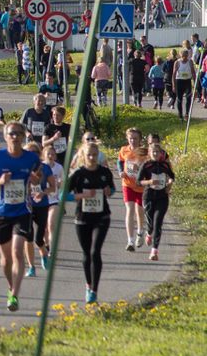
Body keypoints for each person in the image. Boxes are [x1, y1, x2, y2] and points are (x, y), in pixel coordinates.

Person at [0, 121, 43, 312]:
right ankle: (10, 286)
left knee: (17, 251)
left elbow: (37, 174)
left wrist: (35, 179)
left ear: (23, 137)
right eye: (11, 134)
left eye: (18, 133)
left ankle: (14, 294)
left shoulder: (31, 158)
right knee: (6, 259)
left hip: (22, 211)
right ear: (5, 136)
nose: (14, 137)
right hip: (1, 212)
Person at [67, 137, 115, 303]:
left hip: (102, 216)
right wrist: (82, 195)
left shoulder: (104, 172)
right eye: (90, 155)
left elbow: (113, 189)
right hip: (82, 217)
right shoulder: (78, 174)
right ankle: (88, 285)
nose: (93, 158)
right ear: (83, 155)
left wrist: (109, 191)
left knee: (96, 251)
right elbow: (62, 195)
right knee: (87, 254)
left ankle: (94, 290)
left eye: (95, 155)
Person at [22, 142, 58, 278]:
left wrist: (43, 193)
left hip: (42, 205)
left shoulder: (45, 168)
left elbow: (53, 187)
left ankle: (43, 254)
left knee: (39, 239)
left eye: (35, 153)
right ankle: (31, 267)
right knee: (28, 236)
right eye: (28, 153)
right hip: (26, 206)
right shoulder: (22, 168)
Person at [138, 142, 174, 261]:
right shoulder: (146, 165)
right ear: (149, 153)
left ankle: (154, 251)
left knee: (158, 222)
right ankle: (149, 233)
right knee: (151, 223)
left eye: (157, 152)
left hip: (162, 197)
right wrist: (149, 182)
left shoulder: (165, 165)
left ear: (160, 154)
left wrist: (169, 183)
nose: (155, 154)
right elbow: (139, 181)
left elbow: (172, 176)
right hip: (148, 197)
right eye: (153, 152)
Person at [116, 128, 148, 252]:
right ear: (127, 139)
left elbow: (149, 167)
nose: (132, 141)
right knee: (129, 209)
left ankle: (140, 231)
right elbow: (120, 161)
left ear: (140, 139)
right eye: (130, 138)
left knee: (139, 211)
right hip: (127, 184)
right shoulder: (124, 150)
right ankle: (130, 240)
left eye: (135, 138)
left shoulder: (144, 152)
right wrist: (120, 172)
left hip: (140, 186)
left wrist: (142, 172)